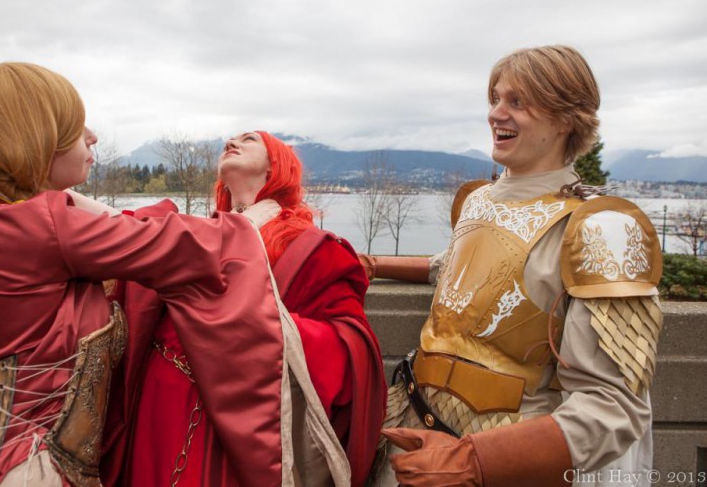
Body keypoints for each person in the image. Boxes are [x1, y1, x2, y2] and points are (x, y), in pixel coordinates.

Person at [0, 62, 285, 486]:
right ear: (29, 138)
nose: (92, 137)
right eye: (73, 127)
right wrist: (244, 224)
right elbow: (168, 245)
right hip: (25, 469)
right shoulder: (42, 228)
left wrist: (64, 201)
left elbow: (101, 232)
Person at [365, 45, 663, 487]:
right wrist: (368, 263)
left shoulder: (603, 228)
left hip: (502, 467)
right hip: (410, 432)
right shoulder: (478, 200)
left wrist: (472, 461)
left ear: (566, 119)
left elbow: (613, 406)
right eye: (495, 99)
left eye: (518, 102)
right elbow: (452, 270)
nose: (496, 114)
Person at [101, 131, 386, 486]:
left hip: (232, 424)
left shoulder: (311, 247)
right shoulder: (198, 232)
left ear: (275, 167)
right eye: (230, 140)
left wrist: (260, 323)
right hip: (157, 404)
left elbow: (348, 345)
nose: (231, 142)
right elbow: (123, 231)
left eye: (249, 139)